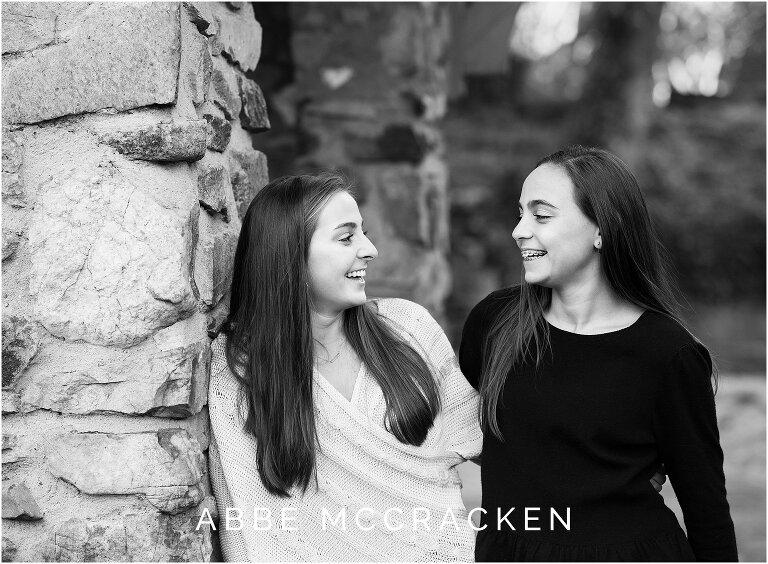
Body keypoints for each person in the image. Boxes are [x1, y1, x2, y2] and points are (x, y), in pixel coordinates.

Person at [459, 145, 738, 562]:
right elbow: (470, 434)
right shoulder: (494, 323)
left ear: (601, 230)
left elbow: (706, 509)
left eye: (541, 214)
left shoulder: (669, 354)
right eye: (520, 213)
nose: (519, 230)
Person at [208, 173, 482, 561]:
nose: (369, 249)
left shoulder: (409, 329)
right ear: (289, 253)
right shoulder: (237, 369)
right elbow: (248, 515)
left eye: (364, 233)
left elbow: (491, 440)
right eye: (346, 237)